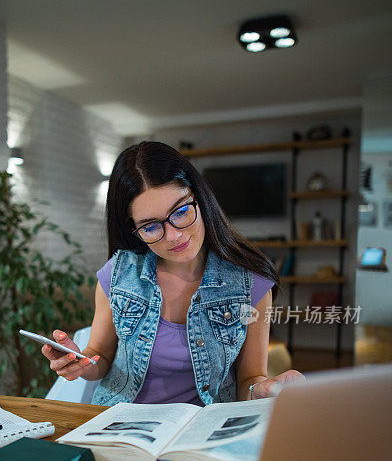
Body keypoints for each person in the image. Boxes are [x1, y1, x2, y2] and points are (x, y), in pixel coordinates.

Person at [41, 141, 305, 405]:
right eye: (151, 227)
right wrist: (81, 363)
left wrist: (263, 389)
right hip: (119, 422)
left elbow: (249, 381)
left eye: (180, 211)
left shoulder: (252, 285)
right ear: (132, 228)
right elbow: (100, 356)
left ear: (199, 198)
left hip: (202, 429)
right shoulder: (119, 274)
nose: (174, 235)